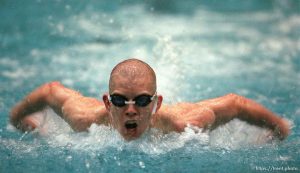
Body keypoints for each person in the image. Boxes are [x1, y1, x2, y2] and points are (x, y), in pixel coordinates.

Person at [10, 58, 290, 141]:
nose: (131, 110)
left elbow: (235, 103)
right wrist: (19, 120)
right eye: (120, 102)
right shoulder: (83, 118)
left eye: (142, 101)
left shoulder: (185, 125)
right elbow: (49, 91)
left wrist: (278, 129)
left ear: (156, 104)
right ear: (107, 104)